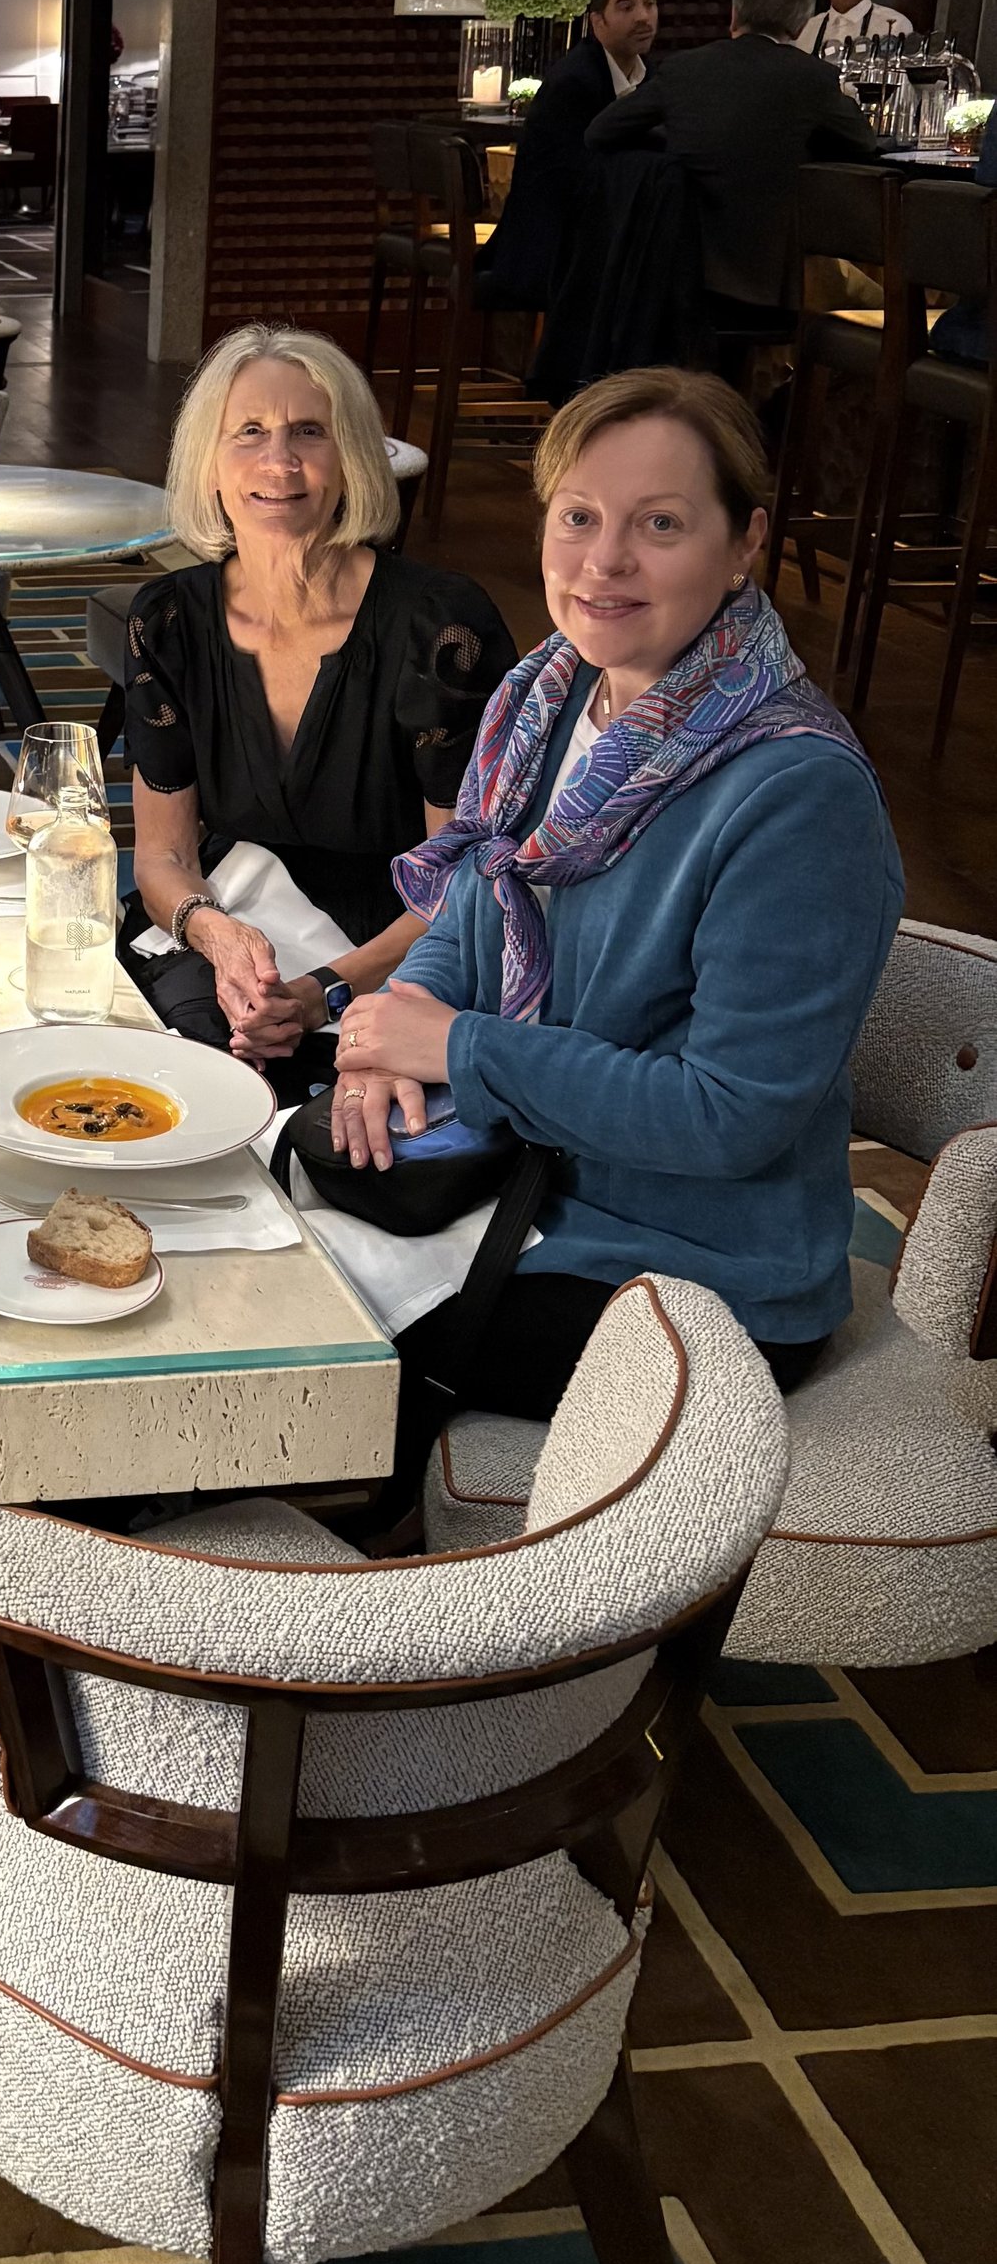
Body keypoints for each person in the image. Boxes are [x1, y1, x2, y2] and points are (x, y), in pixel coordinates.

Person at [330, 367, 901, 1509]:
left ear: (743, 544)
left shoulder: (796, 794)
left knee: (313, 1358)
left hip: (693, 1274)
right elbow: (473, 909)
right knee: (236, 1237)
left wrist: (462, 1054)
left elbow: (728, 1116)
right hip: (526, 1181)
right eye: (579, 517)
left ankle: (338, 1641)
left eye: (659, 526)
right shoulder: (543, 699)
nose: (604, 562)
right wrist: (388, 1043)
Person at [122, 326, 517, 1104]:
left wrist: (322, 992)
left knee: (327, 1116)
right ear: (209, 462)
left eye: (310, 431)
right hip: (235, 923)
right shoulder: (168, 619)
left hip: (400, 949)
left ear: (353, 459)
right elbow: (164, 860)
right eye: (250, 434)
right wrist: (216, 934)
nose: (279, 463)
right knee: (163, 1079)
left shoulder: (439, 629)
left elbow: (462, 887)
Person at [584, 0, 880, 325]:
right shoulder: (812, 76)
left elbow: (600, 132)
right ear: (801, 23)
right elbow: (863, 144)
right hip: (767, 279)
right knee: (863, 295)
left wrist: (677, 144)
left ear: (735, 14)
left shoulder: (685, 68)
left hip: (671, 270)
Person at [480, 0, 658, 313]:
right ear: (597, 21)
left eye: (650, 3)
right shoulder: (574, 82)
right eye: (626, 6)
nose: (643, 16)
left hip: (601, 232)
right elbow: (574, 183)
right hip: (551, 246)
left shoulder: (653, 76)